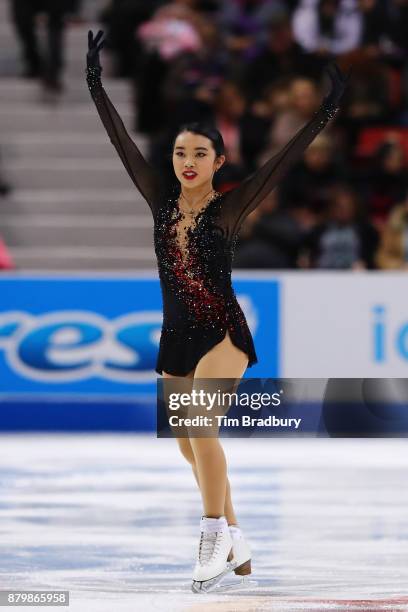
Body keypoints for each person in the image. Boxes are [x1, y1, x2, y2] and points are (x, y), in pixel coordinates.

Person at [85, 29, 348, 592]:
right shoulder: (158, 197)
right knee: (189, 444)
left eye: (199, 153)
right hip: (175, 335)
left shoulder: (230, 209)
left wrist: (326, 111)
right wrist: (96, 86)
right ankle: (237, 537)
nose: (187, 161)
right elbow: (121, 143)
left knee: (202, 429)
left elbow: (283, 160)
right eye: (181, 151)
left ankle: (209, 539)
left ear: (218, 161)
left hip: (223, 333)